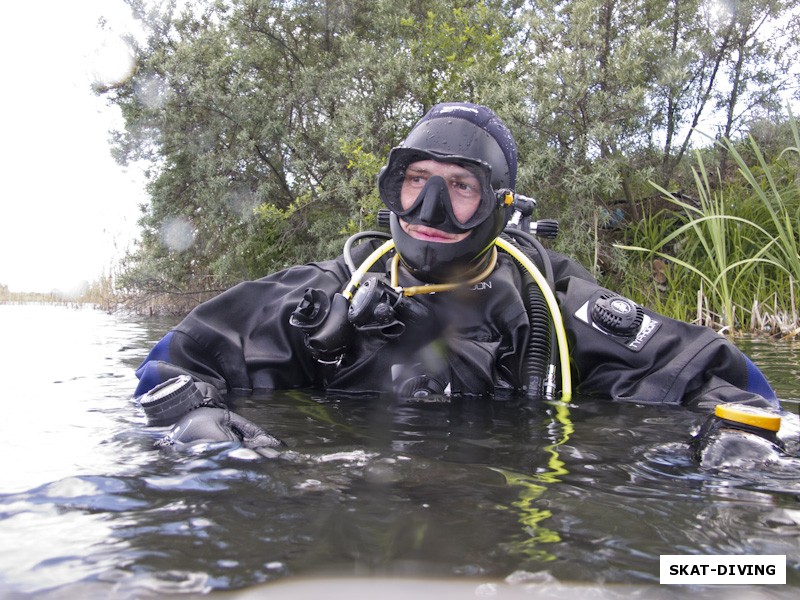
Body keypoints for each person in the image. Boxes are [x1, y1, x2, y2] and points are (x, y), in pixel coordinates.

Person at [133, 102, 784, 460]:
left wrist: (739, 444)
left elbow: (730, 384)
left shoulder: (548, 305)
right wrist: (193, 420)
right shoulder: (324, 292)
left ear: (500, 206)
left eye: (461, 187)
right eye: (417, 182)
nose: (431, 211)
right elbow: (173, 363)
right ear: (393, 189)